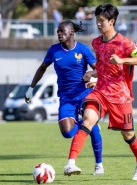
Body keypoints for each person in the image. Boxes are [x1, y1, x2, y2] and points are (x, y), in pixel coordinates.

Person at [65, 3, 137, 181]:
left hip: (120, 96)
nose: (98, 24)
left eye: (102, 21)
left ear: (112, 21)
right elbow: (105, 68)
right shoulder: (96, 43)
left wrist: (122, 59)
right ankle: (71, 162)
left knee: (128, 136)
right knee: (88, 119)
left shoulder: (124, 42)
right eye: (97, 20)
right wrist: (93, 74)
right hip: (100, 92)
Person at [25, 20, 104, 176]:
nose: (59, 34)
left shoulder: (82, 50)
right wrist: (30, 88)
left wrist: (91, 74)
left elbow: (100, 69)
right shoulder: (54, 51)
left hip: (84, 95)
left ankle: (99, 165)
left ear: (71, 32)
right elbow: (42, 68)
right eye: (58, 32)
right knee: (68, 133)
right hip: (66, 98)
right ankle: (86, 124)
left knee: (91, 125)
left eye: (62, 31)